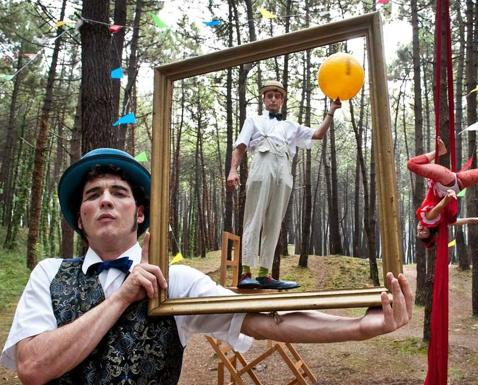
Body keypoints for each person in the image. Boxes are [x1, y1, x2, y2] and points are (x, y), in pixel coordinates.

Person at [0, 147, 412, 384]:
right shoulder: (50, 273)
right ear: (81, 214)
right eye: (93, 194)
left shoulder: (173, 279)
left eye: (119, 192)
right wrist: (123, 297)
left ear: (140, 214)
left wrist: (359, 326)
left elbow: (265, 318)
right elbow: (33, 366)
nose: (105, 199)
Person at [227, 80, 341, 289]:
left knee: (274, 221)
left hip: (283, 172)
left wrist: (331, 111)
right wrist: (233, 170)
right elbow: (240, 146)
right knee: (254, 217)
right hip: (262, 166)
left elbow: (317, 135)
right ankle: (246, 272)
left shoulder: (291, 126)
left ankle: (264, 274)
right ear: (263, 99)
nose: (273, 99)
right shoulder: (253, 120)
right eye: (269, 95)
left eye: (277, 96)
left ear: (282, 99)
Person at [407, 139, 478, 247]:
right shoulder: (428, 218)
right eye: (424, 232)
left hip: (457, 183)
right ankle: (440, 152)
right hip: (445, 183)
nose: (420, 229)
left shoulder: (439, 221)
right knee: (411, 164)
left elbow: (454, 222)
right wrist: (447, 198)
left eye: (418, 232)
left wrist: (470, 220)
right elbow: (438, 208)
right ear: (431, 230)